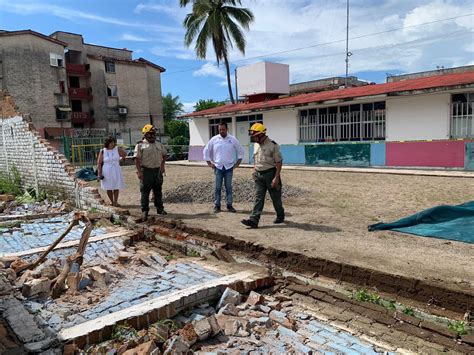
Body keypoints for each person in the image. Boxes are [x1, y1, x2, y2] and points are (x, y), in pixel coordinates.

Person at [241, 123, 285, 228]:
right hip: (258, 175)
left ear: (261, 135)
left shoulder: (273, 145)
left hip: (270, 174)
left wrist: (276, 177)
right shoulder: (256, 144)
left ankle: (280, 215)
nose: (253, 139)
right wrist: (254, 170)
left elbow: (279, 162)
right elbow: (255, 159)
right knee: (258, 198)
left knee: (276, 199)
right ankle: (254, 220)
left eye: (255, 136)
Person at [203, 121, 244, 213]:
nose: (221, 131)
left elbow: (241, 150)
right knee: (217, 187)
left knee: (228, 187)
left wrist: (238, 163)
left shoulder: (233, 140)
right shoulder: (214, 140)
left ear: (227, 129)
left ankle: (229, 205)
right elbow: (206, 151)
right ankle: (217, 206)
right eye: (220, 129)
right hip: (218, 167)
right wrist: (209, 163)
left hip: (229, 168)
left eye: (223, 129)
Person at [135, 124, 167, 221]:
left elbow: (164, 155)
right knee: (145, 192)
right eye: (150, 133)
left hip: (157, 171)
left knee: (158, 191)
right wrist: (139, 172)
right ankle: (145, 211)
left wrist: (162, 166)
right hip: (146, 171)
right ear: (145, 134)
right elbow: (136, 159)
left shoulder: (159, 144)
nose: (153, 135)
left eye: (154, 133)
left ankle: (160, 209)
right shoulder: (140, 145)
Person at [97, 136, 127, 207]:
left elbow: (124, 154)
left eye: (113, 142)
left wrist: (121, 160)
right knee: (109, 187)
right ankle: (112, 201)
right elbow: (99, 162)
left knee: (116, 186)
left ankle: (115, 202)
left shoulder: (117, 149)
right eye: (111, 142)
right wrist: (99, 173)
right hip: (107, 171)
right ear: (107, 143)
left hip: (116, 169)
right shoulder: (103, 151)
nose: (112, 144)